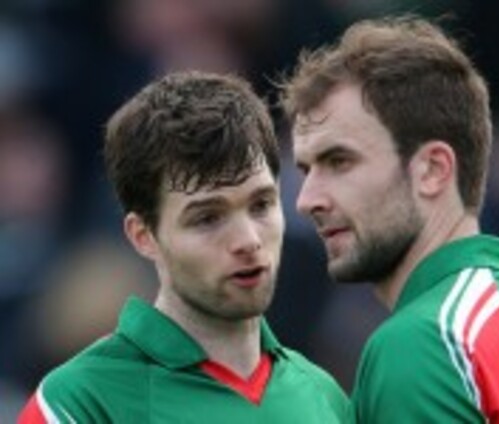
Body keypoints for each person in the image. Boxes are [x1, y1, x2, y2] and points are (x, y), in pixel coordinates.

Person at [281, 17, 499, 423]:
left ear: (433, 170)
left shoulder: (424, 342)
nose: (306, 200)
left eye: (339, 161)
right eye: (306, 170)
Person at [18, 71, 351, 423]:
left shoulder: (323, 395)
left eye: (261, 205)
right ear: (143, 236)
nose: (248, 240)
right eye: (208, 218)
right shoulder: (76, 403)